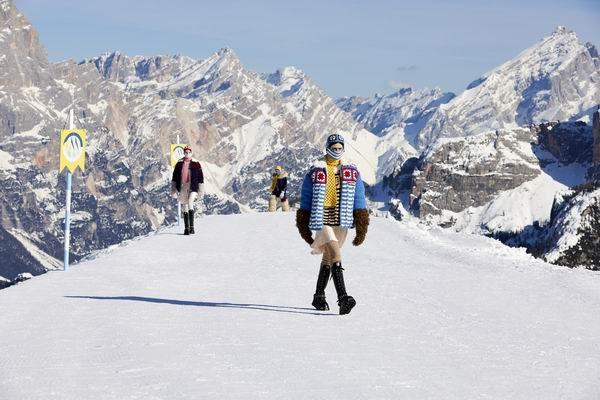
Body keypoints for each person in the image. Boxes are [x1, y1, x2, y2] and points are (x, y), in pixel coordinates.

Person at [295, 133, 369, 315]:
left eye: (339, 148)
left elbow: (359, 198)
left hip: (341, 220)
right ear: (327, 148)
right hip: (322, 220)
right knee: (335, 252)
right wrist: (303, 224)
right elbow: (306, 197)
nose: (336, 151)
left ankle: (318, 296)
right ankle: (343, 298)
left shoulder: (351, 172)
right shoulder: (316, 170)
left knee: (328, 257)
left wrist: (361, 224)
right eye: (333, 148)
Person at [171, 145, 204, 235]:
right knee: (184, 205)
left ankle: (192, 227)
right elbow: (174, 177)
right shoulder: (179, 163)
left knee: (190, 202)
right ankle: (186, 228)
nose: (187, 153)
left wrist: (200, 190)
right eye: (186, 152)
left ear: (191, 153)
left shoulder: (196, 163)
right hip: (182, 186)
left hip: (193, 186)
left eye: (189, 152)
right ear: (184, 153)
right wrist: (173, 189)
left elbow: (200, 178)